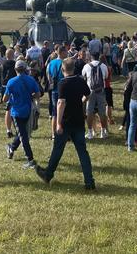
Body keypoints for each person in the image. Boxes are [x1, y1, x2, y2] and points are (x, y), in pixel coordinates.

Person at [35, 57, 95, 190]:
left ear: (63, 69)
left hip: (66, 122)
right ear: (74, 68)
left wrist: (58, 123)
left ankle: (48, 174)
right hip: (78, 121)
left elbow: (61, 103)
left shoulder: (63, 83)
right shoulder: (80, 80)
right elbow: (88, 94)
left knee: (58, 149)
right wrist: (81, 101)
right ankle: (89, 181)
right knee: (82, 152)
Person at [4, 60, 41, 169]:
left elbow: (5, 98)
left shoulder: (11, 81)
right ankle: (11, 147)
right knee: (22, 133)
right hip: (28, 111)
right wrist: (30, 95)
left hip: (16, 112)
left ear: (15, 70)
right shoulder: (31, 79)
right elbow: (38, 94)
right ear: (25, 69)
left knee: (23, 135)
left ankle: (30, 159)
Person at [83, 52, 109, 139]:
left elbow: (84, 76)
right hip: (101, 90)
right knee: (102, 112)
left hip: (90, 91)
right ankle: (103, 132)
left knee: (89, 112)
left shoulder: (87, 66)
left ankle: (90, 132)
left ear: (91, 57)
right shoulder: (104, 66)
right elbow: (105, 77)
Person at [46, 46, 68, 138]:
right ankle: (64, 133)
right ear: (62, 52)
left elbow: (48, 75)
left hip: (54, 89)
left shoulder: (51, 63)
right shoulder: (65, 63)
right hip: (64, 89)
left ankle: (53, 134)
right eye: (66, 51)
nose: (67, 53)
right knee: (65, 112)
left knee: (55, 113)